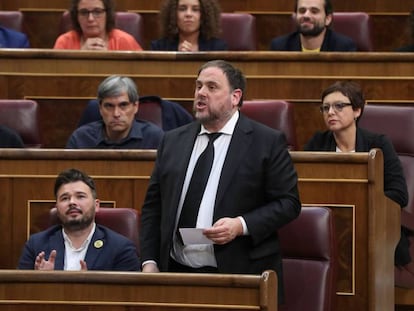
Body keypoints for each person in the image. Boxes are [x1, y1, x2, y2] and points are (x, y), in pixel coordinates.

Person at [139, 59, 301, 304]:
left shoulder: (265, 142)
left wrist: (241, 224)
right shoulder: (173, 141)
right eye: (198, 86)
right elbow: (154, 207)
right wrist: (150, 262)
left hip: (237, 276)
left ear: (235, 97)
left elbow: (289, 203)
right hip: (175, 275)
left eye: (212, 87)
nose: (201, 93)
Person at [303, 80, 410, 267]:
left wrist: (360, 202)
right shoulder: (317, 143)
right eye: (325, 107)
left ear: (357, 111)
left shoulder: (378, 144)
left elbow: (399, 194)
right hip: (328, 226)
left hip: (373, 227)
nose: (330, 112)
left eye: (339, 106)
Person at [18, 168, 140, 271]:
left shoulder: (120, 248)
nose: (72, 202)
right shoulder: (36, 245)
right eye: (65, 198)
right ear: (57, 207)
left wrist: (87, 287)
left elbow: (130, 296)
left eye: (80, 196)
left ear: (96, 205)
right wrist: (41, 282)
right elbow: (19, 293)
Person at [66, 75, 164, 149]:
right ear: (100, 108)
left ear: (135, 107)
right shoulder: (81, 139)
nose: (116, 114)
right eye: (109, 106)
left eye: (123, 105)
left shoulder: (155, 139)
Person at [54, 0, 143, 51]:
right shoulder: (64, 42)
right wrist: (80, 57)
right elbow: (55, 79)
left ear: (107, 14)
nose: (90, 19)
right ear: (76, 16)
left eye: (97, 12)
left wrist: (108, 59)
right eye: (84, 12)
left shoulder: (125, 41)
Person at [270, 0, 356, 52]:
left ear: (328, 19)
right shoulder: (280, 47)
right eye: (302, 11)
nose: (306, 15)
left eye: (314, 11)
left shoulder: (344, 47)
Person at [150, 0, 228, 51]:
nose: (188, 14)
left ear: (204, 15)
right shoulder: (158, 47)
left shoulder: (218, 48)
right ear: (173, 14)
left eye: (195, 9)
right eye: (182, 9)